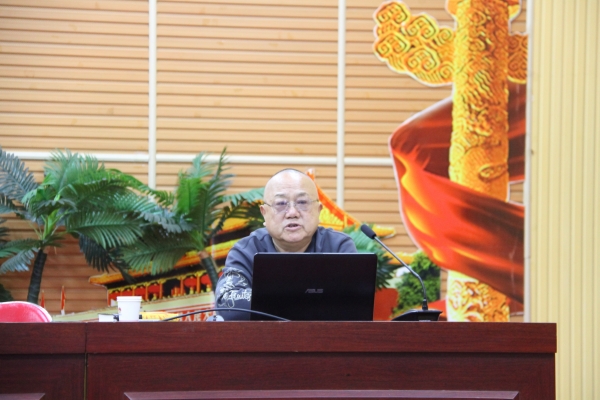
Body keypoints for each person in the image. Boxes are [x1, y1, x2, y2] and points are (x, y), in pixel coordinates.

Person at [214, 169, 357, 320]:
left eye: (302, 202)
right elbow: (228, 305)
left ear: (318, 210)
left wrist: (277, 301)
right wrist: (305, 298)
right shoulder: (246, 251)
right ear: (264, 213)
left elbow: (355, 303)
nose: (292, 213)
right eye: (281, 204)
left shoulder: (338, 247)